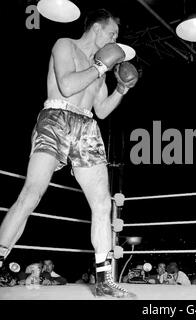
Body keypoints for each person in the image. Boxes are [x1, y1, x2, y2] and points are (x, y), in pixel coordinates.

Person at [0, 8, 138, 298]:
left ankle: (103, 280)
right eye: (112, 33)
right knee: (32, 193)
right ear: (97, 29)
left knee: (103, 203)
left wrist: (121, 90)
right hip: (55, 117)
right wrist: (101, 68)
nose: (114, 39)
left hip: (86, 126)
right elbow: (67, 85)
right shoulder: (65, 45)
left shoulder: (99, 69)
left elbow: (100, 110)